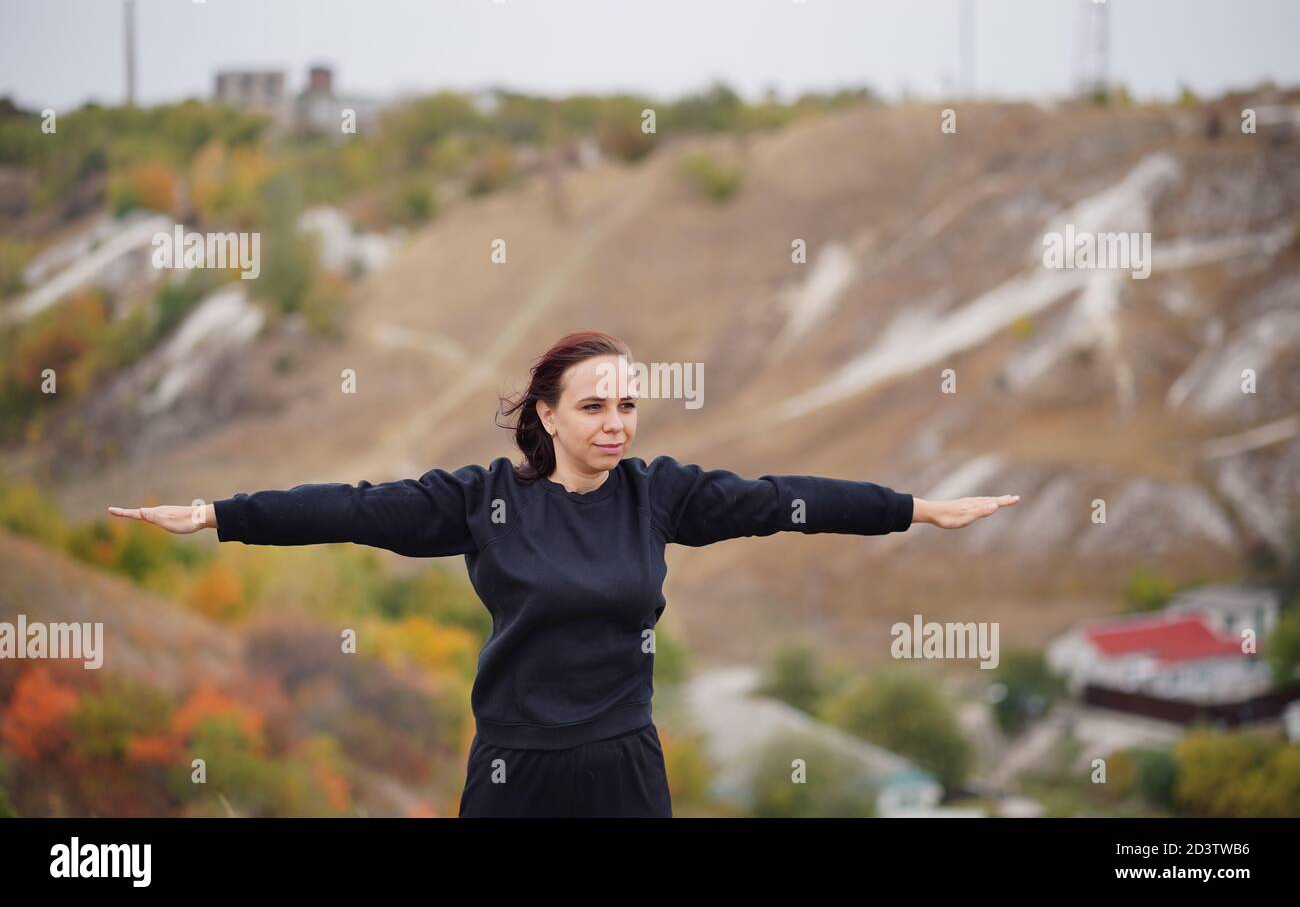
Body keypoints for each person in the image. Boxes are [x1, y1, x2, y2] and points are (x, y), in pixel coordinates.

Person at [109, 330, 1020, 817]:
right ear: (545, 414)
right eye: (594, 406)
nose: (616, 423)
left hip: (626, 765)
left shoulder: (661, 495)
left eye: (627, 404)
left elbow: (787, 500)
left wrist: (913, 509)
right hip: (516, 769)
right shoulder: (476, 501)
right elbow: (352, 508)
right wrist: (223, 515)